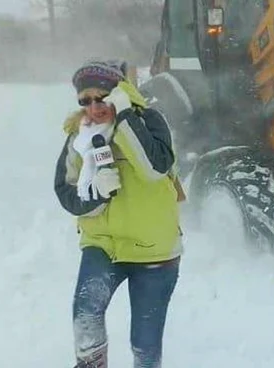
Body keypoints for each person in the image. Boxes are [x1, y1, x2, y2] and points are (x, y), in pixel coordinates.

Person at [53, 58, 184, 368]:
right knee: (86, 310)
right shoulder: (80, 136)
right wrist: (95, 192)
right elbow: (65, 190)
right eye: (85, 100)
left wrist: (124, 116)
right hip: (103, 244)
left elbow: (155, 168)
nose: (94, 107)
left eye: (101, 97)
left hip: (154, 250)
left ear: (119, 92)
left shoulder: (150, 120)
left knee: (145, 342)